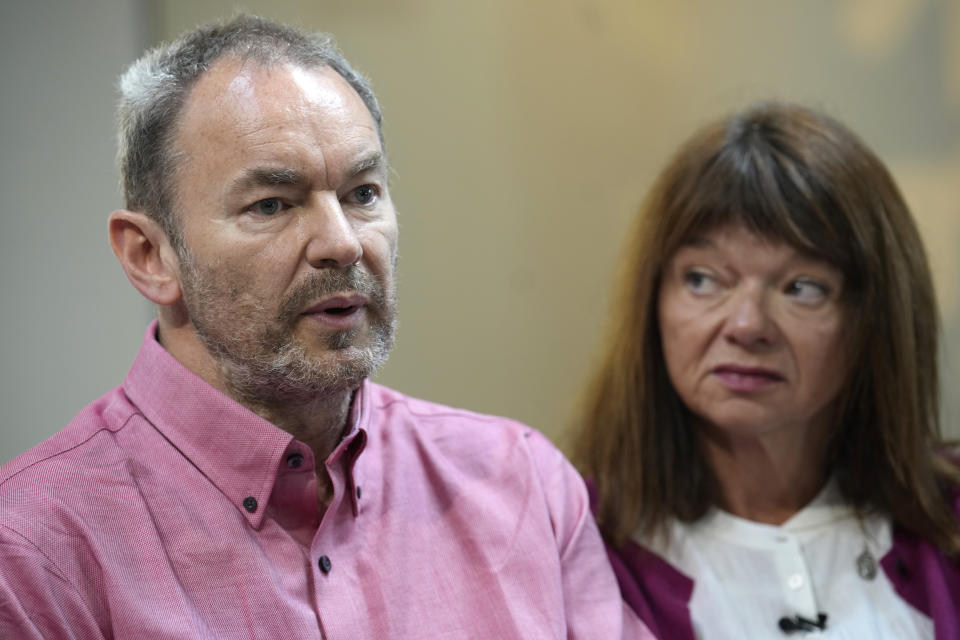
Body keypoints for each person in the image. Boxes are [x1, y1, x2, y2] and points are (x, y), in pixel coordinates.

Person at [0, 15, 650, 639]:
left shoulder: (520, 483)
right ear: (150, 255)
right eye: (272, 205)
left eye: (362, 193)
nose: (342, 243)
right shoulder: (33, 550)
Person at [573, 102, 960, 639]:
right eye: (704, 279)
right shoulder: (580, 546)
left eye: (802, 287)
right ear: (652, 302)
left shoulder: (948, 524)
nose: (747, 325)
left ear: (875, 320)